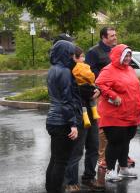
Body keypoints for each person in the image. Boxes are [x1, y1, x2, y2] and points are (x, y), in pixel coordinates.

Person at [95, 44, 140, 182]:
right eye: (125, 55)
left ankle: (123, 169)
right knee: (115, 142)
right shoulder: (108, 70)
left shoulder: (129, 69)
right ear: (118, 56)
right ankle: (110, 171)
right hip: (114, 115)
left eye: (129, 56)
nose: (128, 58)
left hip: (131, 114)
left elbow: (134, 89)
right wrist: (113, 95)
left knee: (125, 142)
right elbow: (99, 84)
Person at [64, 46, 104, 192]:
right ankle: (71, 182)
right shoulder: (67, 73)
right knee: (77, 150)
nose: (84, 60)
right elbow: (67, 94)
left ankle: (88, 177)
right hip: (78, 115)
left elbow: (95, 83)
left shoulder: (85, 71)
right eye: (81, 57)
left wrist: (98, 90)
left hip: (92, 114)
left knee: (93, 146)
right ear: (74, 58)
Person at [45, 40, 81, 193]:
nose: (73, 57)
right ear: (65, 54)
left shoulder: (53, 69)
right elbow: (67, 100)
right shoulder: (65, 72)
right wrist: (72, 124)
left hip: (52, 119)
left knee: (55, 159)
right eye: (71, 54)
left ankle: (50, 189)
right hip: (62, 122)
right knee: (61, 162)